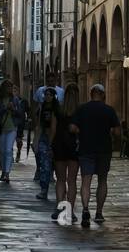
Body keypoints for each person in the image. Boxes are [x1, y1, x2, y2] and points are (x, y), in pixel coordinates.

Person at [69, 85, 121, 228]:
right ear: (103, 95)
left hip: (86, 148)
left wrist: (82, 131)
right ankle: (98, 213)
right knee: (102, 180)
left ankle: (85, 208)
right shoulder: (109, 110)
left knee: (86, 180)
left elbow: (72, 127)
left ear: (91, 94)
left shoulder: (82, 109)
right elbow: (117, 132)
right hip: (104, 149)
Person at [50, 102, 79, 223]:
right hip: (73, 147)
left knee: (60, 179)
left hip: (59, 146)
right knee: (71, 180)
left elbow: (53, 129)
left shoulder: (58, 110)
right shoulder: (79, 110)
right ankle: (70, 211)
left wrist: (50, 146)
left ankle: (59, 207)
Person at [0, 80, 25, 184]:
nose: (10, 89)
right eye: (8, 87)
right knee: (2, 151)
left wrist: (13, 110)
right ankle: (3, 171)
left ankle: (7, 173)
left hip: (12, 128)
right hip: (1, 128)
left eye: (11, 87)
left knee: (8, 150)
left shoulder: (15, 99)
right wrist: (4, 109)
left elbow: (20, 114)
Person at [34, 88, 59, 200]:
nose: (47, 96)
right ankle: (44, 189)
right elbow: (39, 125)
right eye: (46, 94)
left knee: (54, 164)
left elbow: (55, 127)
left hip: (55, 139)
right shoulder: (42, 108)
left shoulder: (57, 109)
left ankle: (60, 189)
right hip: (44, 138)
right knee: (44, 165)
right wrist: (36, 141)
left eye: (49, 95)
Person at [14, 92, 29, 163]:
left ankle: (18, 152)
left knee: (18, 139)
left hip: (20, 123)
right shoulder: (10, 99)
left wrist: (29, 118)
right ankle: (10, 156)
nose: (15, 91)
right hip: (12, 123)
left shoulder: (24, 101)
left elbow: (28, 111)